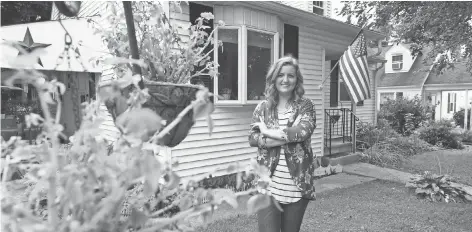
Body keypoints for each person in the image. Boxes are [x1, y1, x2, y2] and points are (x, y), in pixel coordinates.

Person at [249, 56, 317, 232]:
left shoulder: (305, 106)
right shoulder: (263, 108)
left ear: (297, 79)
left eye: (291, 76)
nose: (285, 80)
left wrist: (267, 132)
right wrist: (281, 137)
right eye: (280, 75)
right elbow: (252, 138)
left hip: (296, 187)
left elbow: (303, 132)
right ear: (274, 78)